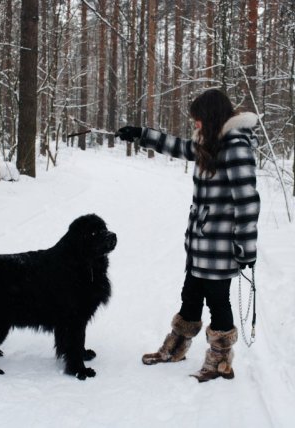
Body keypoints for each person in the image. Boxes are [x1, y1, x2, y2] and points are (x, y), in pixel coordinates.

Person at [115, 89, 260, 382]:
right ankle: (177, 347)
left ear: (210, 117)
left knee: (218, 301)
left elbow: (247, 201)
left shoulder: (235, 146)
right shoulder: (212, 142)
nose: (195, 125)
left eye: (197, 120)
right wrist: (141, 134)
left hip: (220, 245)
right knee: (190, 294)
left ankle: (220, 362)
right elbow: (180, 147)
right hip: (200, 242)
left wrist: (246, 248)